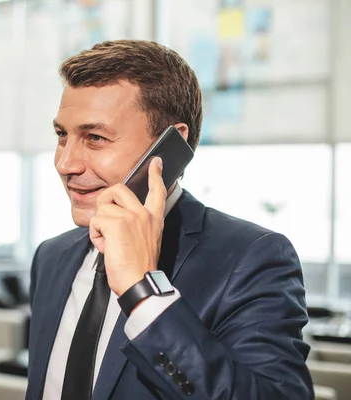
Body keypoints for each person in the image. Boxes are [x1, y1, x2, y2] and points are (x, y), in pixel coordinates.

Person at [26, 40, 313, 399]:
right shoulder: (51, 258)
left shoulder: (251, 258)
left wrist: (143, 290)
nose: (65, 164)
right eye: (62, 135)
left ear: (172, 146)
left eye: (95, 138)